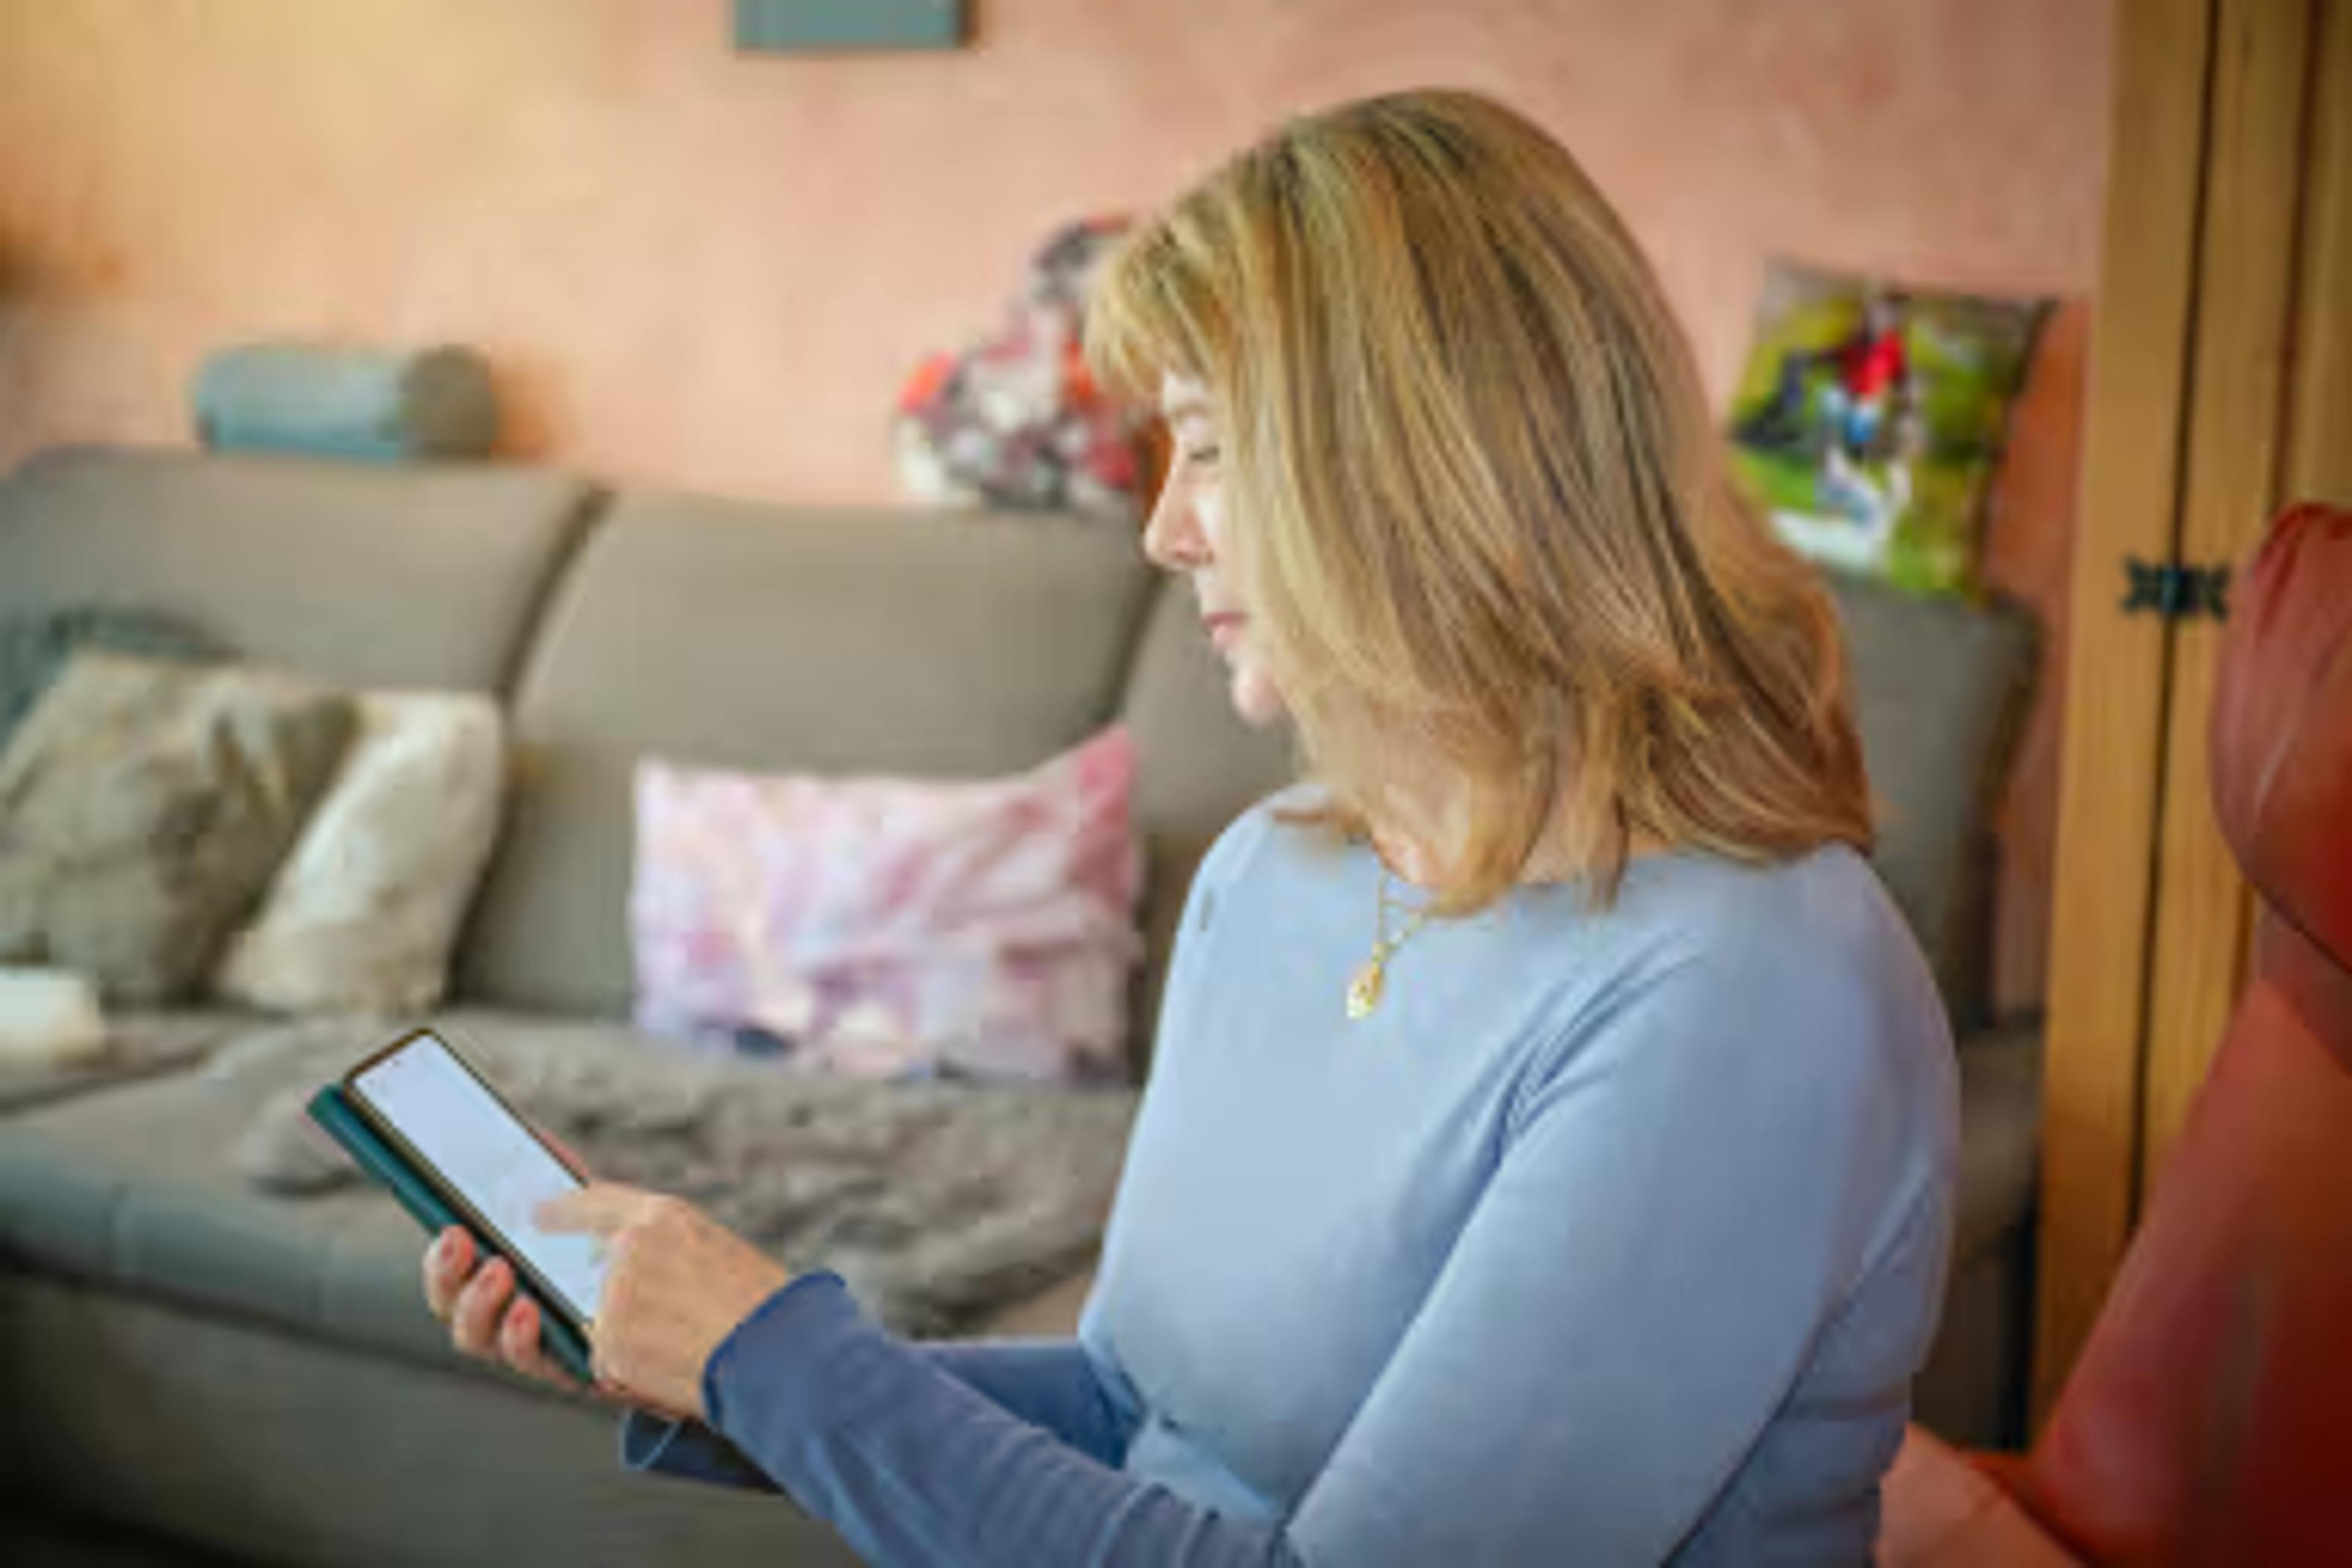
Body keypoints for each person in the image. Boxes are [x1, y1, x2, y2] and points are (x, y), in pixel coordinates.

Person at [423, 88, 1956, 1566]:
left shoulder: (1748, 984)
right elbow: (1126, 1416)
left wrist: (773, 1359)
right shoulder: (1278, 866)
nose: (1163, 528)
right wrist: (705, 1362)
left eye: (1212, 447)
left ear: (1417, 465)